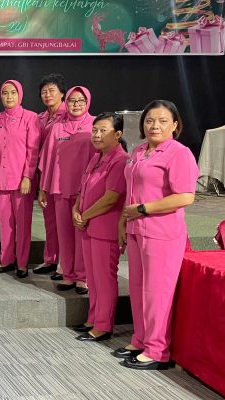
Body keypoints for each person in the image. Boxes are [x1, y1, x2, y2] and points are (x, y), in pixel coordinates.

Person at [116, 100, 198, 370]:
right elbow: (130, 189)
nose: (155, 126)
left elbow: (185, 196)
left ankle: (157, 350)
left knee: (156, 293)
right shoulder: (139, 151)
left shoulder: (179, 153)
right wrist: (124, 221)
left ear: (175, 125)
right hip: (136, 229)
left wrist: (143, 208)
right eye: (150, 120)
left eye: (163, 121)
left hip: (162, 232)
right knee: (138, 288)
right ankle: (141, 339)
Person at [72, 112, 127, 342]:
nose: (96, 135)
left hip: (105, 229)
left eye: (103, 130)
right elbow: (83, 189)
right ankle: (93, 318)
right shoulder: (96, 157)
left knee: (104, 278)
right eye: (94, 130)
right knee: (93, 278)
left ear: (118, 134)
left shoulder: (120, 160)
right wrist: (76, 209)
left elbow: (111, 198)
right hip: (88, 226)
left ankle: (103, 325)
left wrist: (84, 215)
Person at [38, 86, 95, 294]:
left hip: (85, 190)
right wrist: (43, 188)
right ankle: (68, 275)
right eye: (72, 100)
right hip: (60, 187)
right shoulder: (57, 128)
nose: (76, 104)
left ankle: (82, 277)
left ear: (87, 102)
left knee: (82, 233)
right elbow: (47, 160)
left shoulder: (95, 125)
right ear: (66, 102)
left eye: (81, 100)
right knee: (64, 234)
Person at [0, 80, 40, 278]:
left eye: (13, 92)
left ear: (20, 94)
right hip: (1, 179)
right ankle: (6, 260)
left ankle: (22, 263)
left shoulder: (30, 118)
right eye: (5, 93)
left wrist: (28, 176)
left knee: (23, 224)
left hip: (22, 181)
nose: (9, 96)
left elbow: (33, 150)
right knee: (5, 223)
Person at [33, 73, 67, 278]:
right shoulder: (40, 118)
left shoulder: (69, 115)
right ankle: (50, 258)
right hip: (44, 173)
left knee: (64, 221)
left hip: (63, 173)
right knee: (50, 218)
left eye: (52, 91)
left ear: (62, 93)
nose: (47, 95)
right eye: (44, 92)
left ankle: (65, 263)